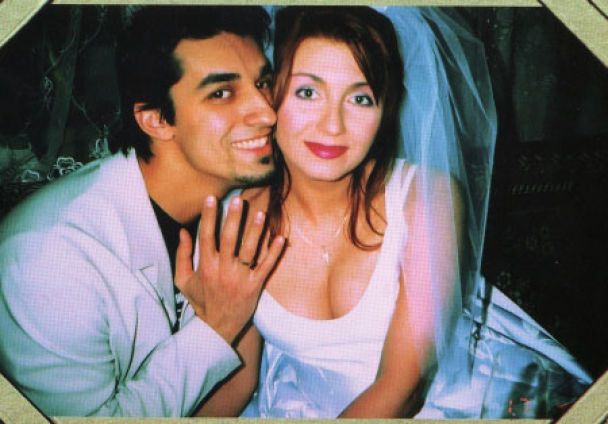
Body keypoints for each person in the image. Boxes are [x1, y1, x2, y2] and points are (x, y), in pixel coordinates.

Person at [202, 6, 591, 419]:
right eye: (308, 92)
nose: (333, 125)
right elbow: (239, 377)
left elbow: (404, 387)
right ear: (269, 96)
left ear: (384, 109)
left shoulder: (427, 198)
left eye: (360, 98)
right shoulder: (237, 218)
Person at [0, 6, 285, 417]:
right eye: (222, 93)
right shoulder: (48, 263)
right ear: (155, 120)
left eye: (263, 83)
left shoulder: (238, 202)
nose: (268, 112)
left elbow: (234, 389)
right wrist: (216, 327)